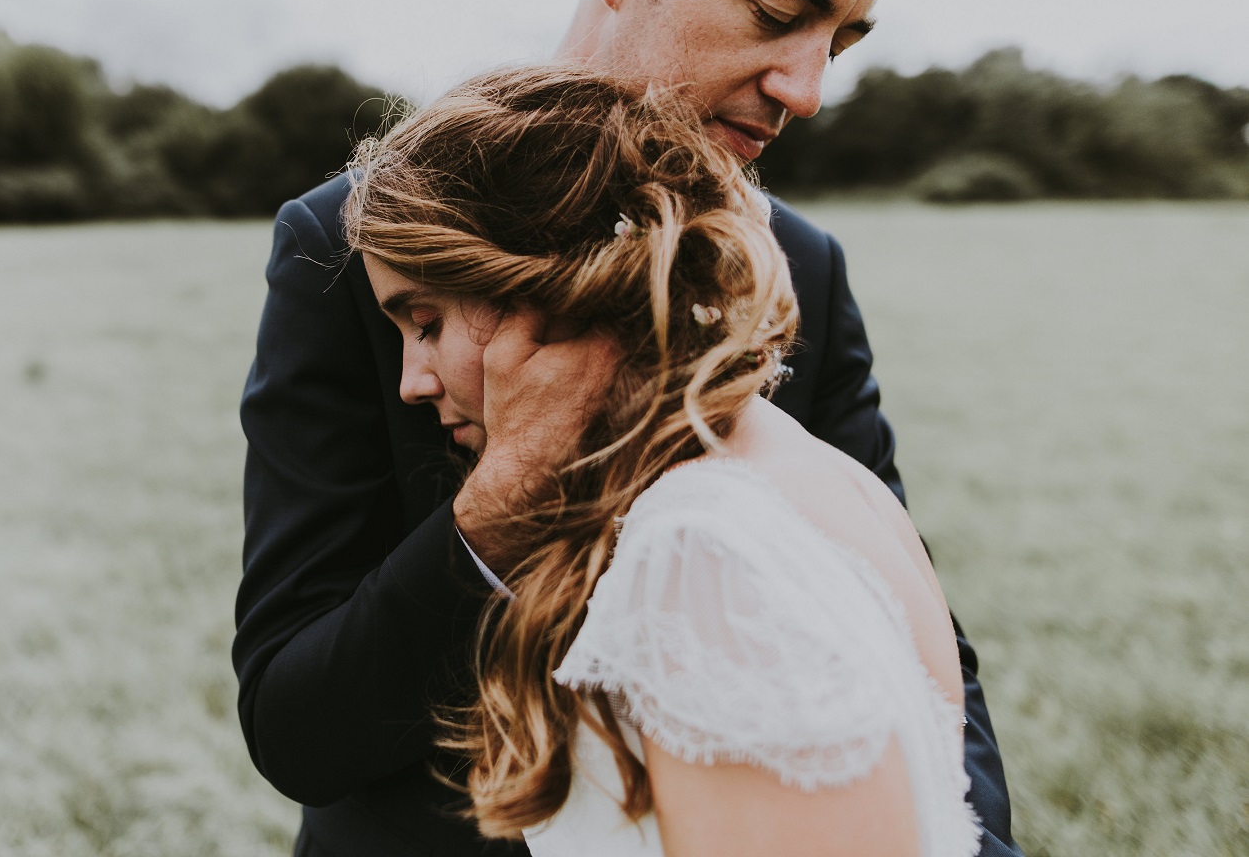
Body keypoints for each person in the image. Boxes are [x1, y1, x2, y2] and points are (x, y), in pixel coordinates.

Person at [234, 0, 1021, 855]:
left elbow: (910, 645)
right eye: (777, 12)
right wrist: (505, 500)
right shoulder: (355, 246)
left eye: (839, 41)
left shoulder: (799, 269)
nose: (806, 89)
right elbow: (295, 725)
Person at [344, 64, 981, 857]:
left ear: (548, 292)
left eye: (427, 323)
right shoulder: (819, 473)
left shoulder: (703, 555)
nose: (411, 382)